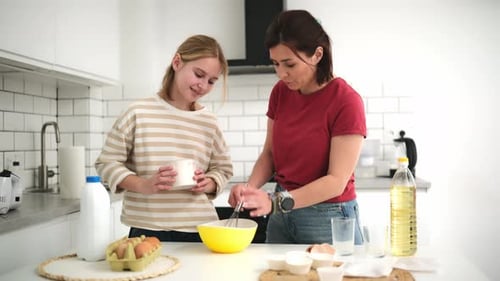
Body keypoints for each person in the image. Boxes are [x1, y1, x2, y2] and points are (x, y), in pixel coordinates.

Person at [228, 10, 366, 245]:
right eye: (275, 64)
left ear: (317, 55)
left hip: (328, 216)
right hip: (281, 216)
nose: (281, 74)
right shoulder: (281, 93)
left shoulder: (346, 100)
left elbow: (336, 181)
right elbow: (270, 154)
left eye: (289, 64)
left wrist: (275, 202)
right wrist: (250, 190)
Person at [95, 34, 233, 242]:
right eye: (198, 74)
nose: (203, 86)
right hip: (146, 229)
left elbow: (223, 169)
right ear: (177, 62)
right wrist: (143, 185)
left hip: (198, 230)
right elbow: (106, 163)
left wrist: (209, 183)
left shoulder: (208, 121)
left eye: (211, 81)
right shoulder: (137, 112)